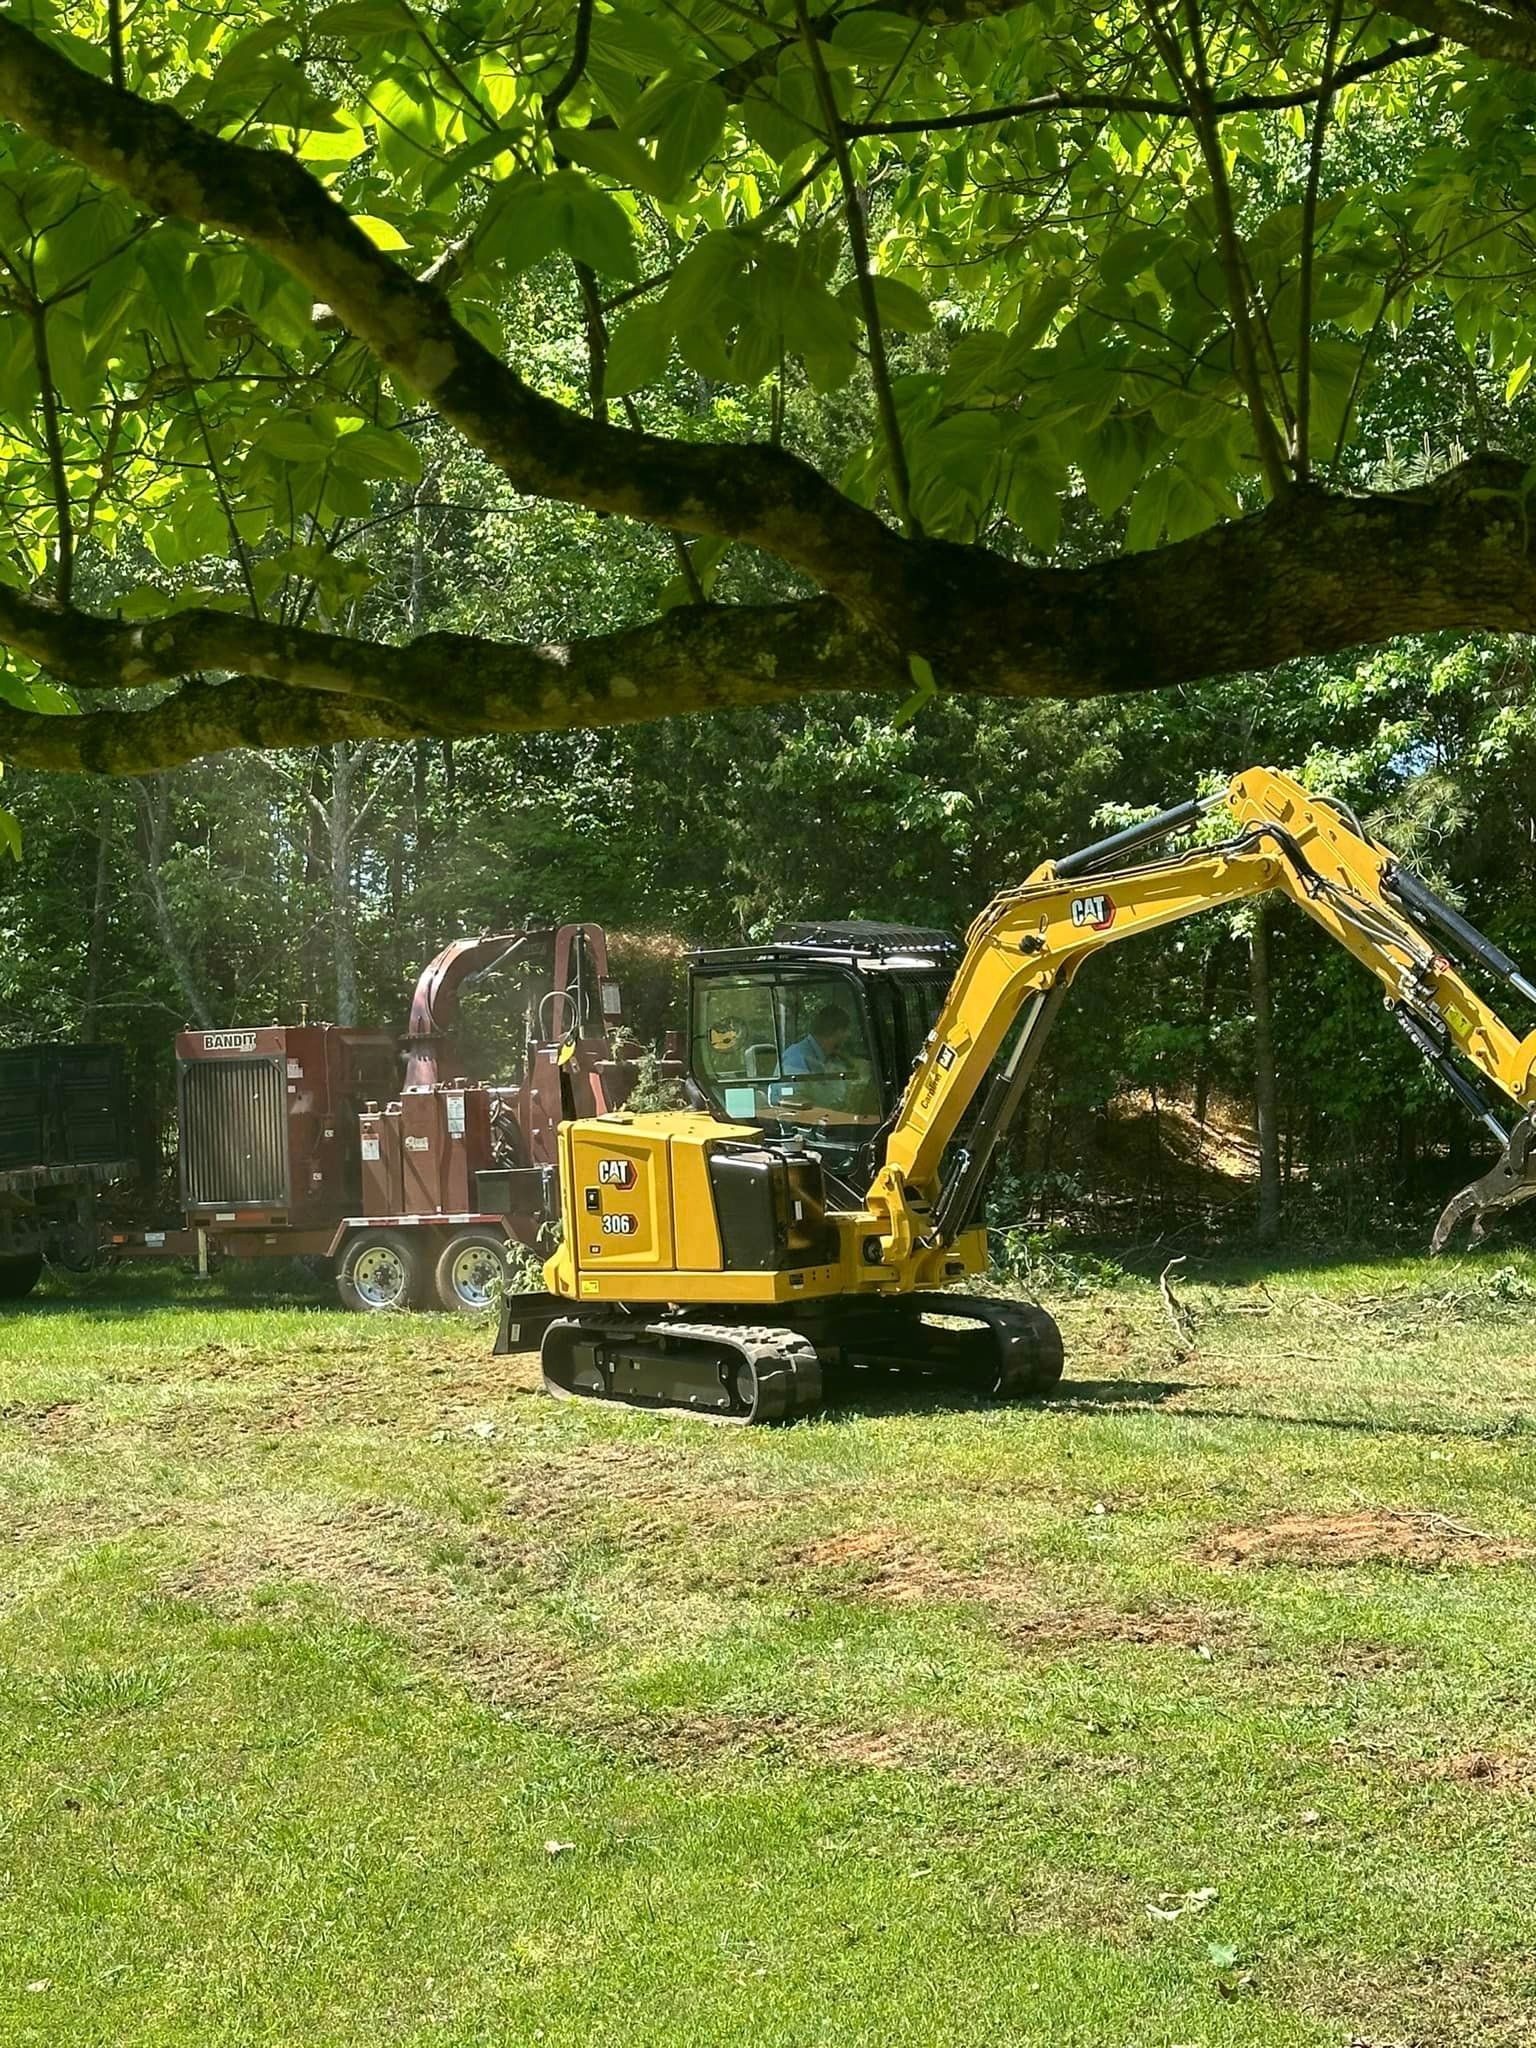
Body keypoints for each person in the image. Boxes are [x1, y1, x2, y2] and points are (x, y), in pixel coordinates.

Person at [782, 1004, 852, 1080]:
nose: (849, 1034)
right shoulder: (796, 1059)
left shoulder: (831, 1059)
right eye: (845, 1029)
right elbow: (794, 1091)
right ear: (831, 1030)